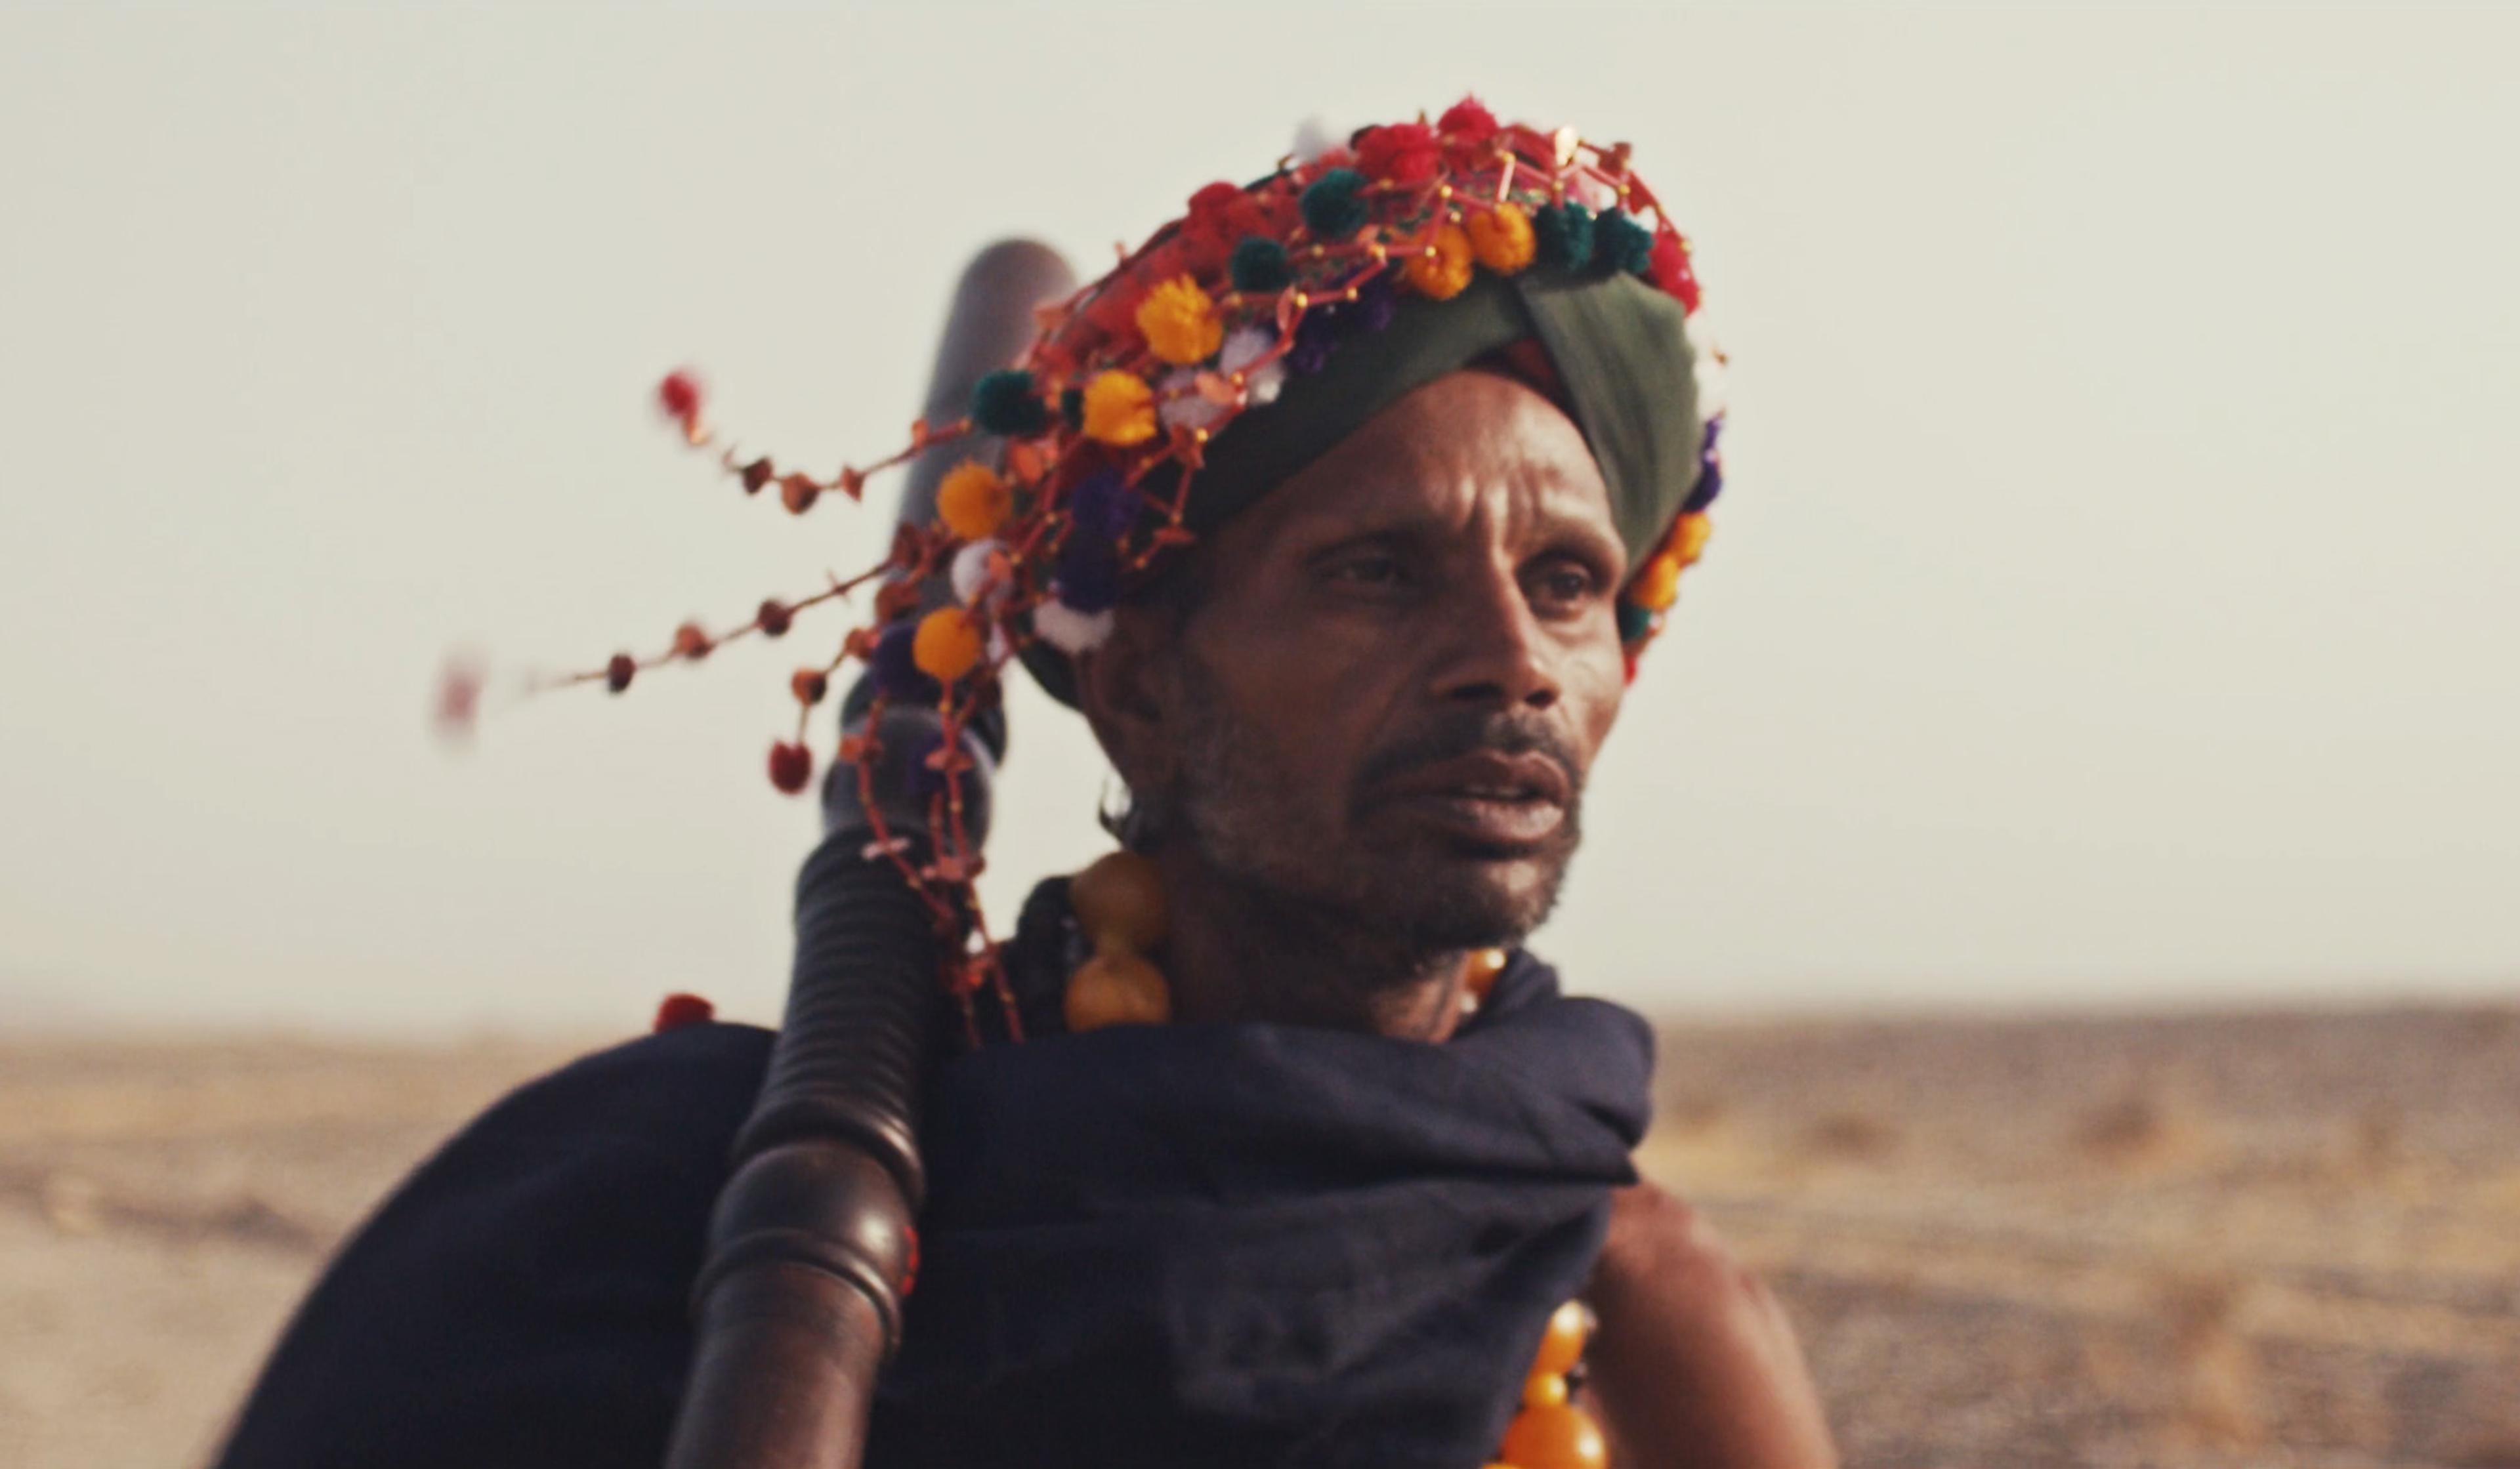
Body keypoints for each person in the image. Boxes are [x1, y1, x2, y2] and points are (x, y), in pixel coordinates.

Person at [214, 100, 1838, 1469]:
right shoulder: (661, 1214)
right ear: (1138, 686)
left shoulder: (1641, 1315)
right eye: (1377, 574)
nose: (1516, 658)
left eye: (1568, 581)